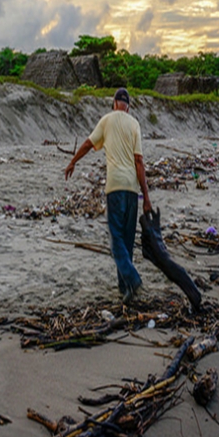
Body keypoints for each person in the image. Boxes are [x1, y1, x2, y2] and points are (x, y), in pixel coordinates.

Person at [64, 87, 152, 305]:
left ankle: (132, 279)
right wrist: (147, 198)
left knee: (116, 241)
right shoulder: (134, 124)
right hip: (132, 190)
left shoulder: (106, 120)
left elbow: (88, 143)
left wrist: (73, 161)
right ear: (128, 106)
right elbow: (139, 161)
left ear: (114, 103)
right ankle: (125, 288)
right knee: (128, 240)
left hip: (115, 188)